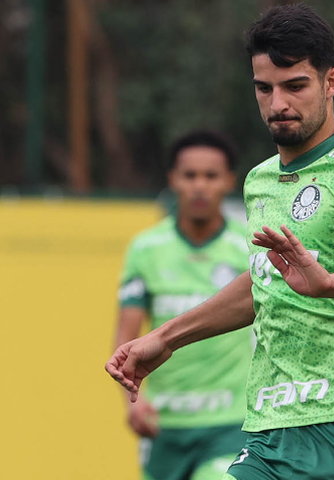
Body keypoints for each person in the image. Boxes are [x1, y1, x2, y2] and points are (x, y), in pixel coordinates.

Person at [106, 4, 334, 480]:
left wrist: (332, 284)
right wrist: (164, 338)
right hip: (271, 424)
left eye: (295, 86)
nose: (278, 103)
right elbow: (265, 282)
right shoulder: (260, 181)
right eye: (265, 88)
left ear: (331, 82)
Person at [115, 129, 252, 480]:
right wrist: (131, 400)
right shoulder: (145, 249)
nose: (200, 186)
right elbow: (125, 337)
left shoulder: (248, 247)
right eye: (190, 175)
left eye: (211, 175)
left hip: (231, 421)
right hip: (163, 424)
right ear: (173, 179)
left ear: (228, 181)